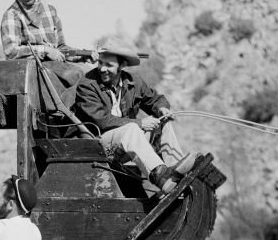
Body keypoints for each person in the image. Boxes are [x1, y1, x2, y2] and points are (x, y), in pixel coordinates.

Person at [73, 44, 198, 194]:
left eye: (109, 65)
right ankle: (160, 176)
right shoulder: (87, 85)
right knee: (132, 129)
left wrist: (161, 109)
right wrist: (140, 123)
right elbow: (102, 121)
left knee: (163, 121)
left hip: (127, 142)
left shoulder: (134, 82)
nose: (102, 68)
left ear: (122, 66)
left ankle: (175, 171)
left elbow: (156, 99)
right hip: (99, 143)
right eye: (100, 63)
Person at [0, 0, 72, 62]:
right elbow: (11, 51)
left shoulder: (50, 10)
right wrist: (45, 50)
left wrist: (82, 55)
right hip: (28, 71)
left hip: (54, 68)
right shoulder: (11, 15)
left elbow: (61, 48)